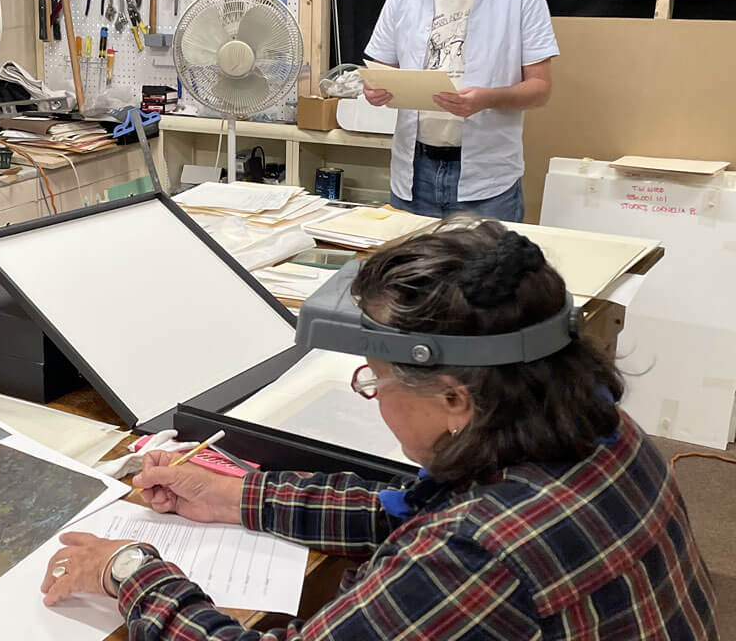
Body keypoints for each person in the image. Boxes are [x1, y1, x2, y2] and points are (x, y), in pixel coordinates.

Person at [41, 219, 718, 640]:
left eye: (377, 380)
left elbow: (449, 545)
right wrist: (240, 497)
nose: (372, 396)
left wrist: (131, 572)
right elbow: (412, 511)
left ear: (454, 398)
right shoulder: (600, 430)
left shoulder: (476, 555)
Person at [363, 0, 559, 221]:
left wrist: (487, 99)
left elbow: (540, 88)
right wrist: (374, 89)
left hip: (488, 182)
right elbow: (381, 65)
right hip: (413, 174)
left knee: (488, 261)